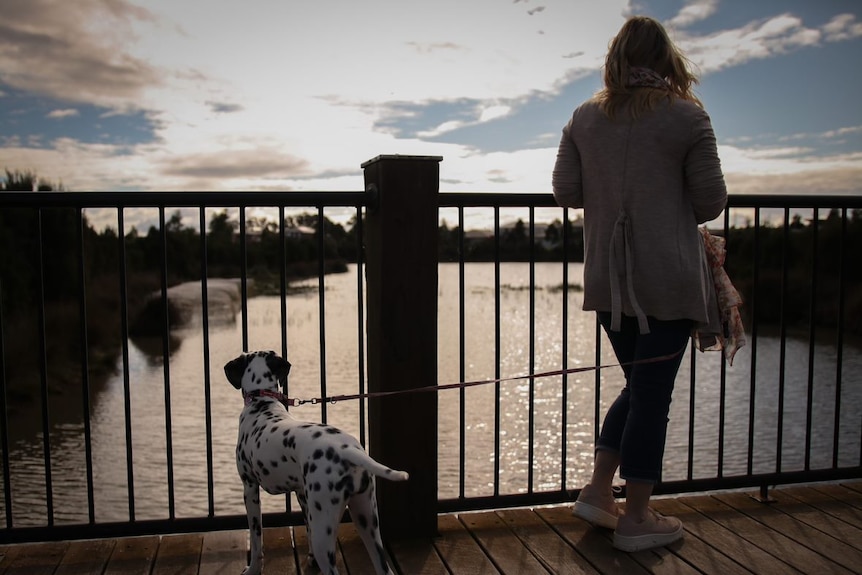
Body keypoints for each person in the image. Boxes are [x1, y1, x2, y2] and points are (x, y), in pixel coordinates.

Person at [552, 15, 727, 552]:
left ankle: (600, 492)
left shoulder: (584, 116)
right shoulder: (687, 117)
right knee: (652, 396)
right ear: (667, 58)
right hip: (667, 280)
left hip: (610, 280)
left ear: (615, 60)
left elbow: (566, 191)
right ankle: (637, 519)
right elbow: (711, 202)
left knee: (641, 388)